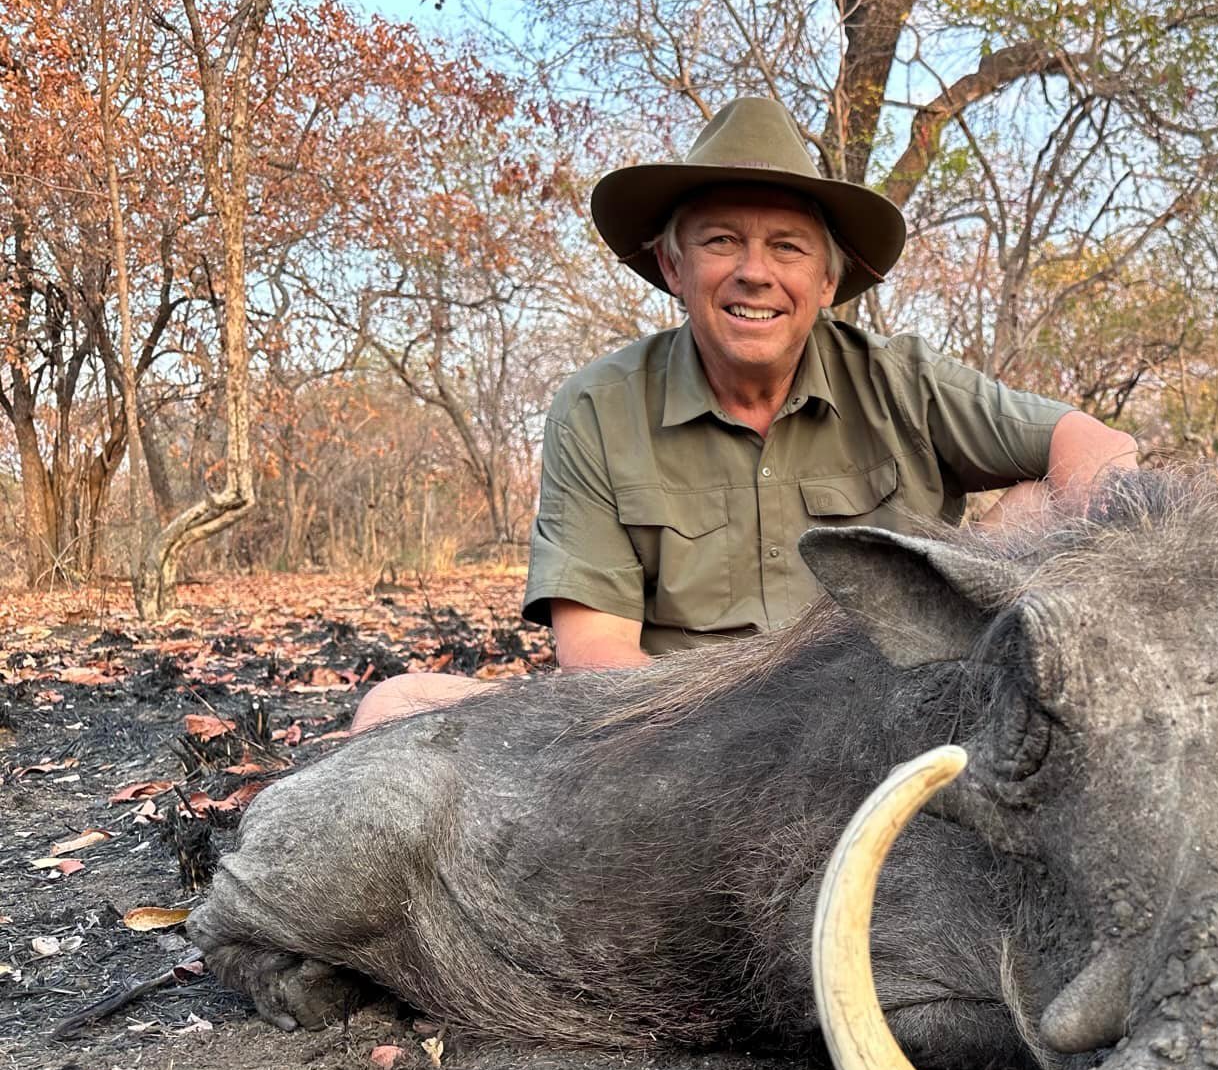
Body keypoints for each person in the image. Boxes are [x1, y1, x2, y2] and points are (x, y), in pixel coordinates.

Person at [353, 97, 1135, 729]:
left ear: (828, 281)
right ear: (673, 265)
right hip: (676, 731)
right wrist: (743, 733)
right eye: (722, 240)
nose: (755, 273)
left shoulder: (905, 380)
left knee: (1045, 503)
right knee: (395, 710)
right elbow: (595, 651)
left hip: (890, 715)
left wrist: (972, 604)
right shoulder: (598, 407)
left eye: (788, 248)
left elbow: (1098, 447)